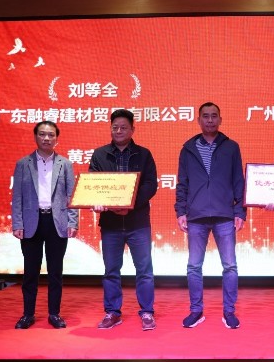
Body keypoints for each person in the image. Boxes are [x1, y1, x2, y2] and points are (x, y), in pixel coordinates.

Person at [175, 102, 245, 329]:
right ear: (198, 120)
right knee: (194, 266)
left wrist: (240, 211)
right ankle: (196, 311)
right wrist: (181, 211)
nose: (210, 120)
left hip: (225, 215)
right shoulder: (188, 148)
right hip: (196, 216)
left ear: (220, 119)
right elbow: (182, 183)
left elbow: (239, 181)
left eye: (214, 116)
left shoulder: (231, 147)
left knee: (230, 266)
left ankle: (229, 311)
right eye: (205, 116)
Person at [89, 110, 159, 330]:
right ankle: (112, 312)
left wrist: (129, 205)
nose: (119, 131)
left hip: (138, 222)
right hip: (110, 224)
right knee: (111, 270)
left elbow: (151, 185)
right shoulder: (99, 154)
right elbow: (93, 185)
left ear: (132, 129)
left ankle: (147, 312)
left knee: (144, 270)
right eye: (115, 127)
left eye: (123, 127)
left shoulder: (143, 154)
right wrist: (98, 201)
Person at [10, 120, 77, 329]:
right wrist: (17, 223)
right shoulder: (23, 163)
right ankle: (28, 314)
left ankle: (54, 314)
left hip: (57, 222)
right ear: (35, 137)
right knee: (30, 272)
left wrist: (73, 221)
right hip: (31, 222)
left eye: (51, 135)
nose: (46, 138)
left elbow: (71, 196)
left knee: (55, 272)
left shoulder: (65, 164)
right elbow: (17, 197)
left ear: (57, 138)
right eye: (42, 134)